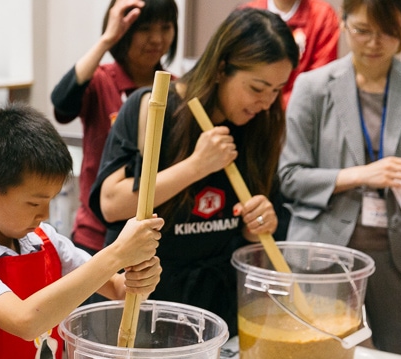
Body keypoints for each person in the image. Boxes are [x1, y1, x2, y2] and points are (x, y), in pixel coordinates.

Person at [90, 7, 299, 334]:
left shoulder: (261, 126)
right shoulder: (155, 106)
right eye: (257, 88)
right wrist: (196, 166)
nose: (267, 102)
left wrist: (260, 223)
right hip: (145, 299)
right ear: (221, 69)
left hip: (216, 306)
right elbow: (112, 204)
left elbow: (260, 222)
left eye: (277, 90)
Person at [0, 103, 163, 359]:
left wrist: (140, 278)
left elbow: (117, 289)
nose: (46, 215)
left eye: (52, 200)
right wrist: (117, 252)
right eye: (35, 203)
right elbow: (24, 321)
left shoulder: (43, 239)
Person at [279, 0, 401, 358]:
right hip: (323, 249)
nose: (373, 43)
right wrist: (360, 175)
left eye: (387, 32)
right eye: (362, 30)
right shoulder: (312, 87)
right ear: (343, 23)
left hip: (399, 250)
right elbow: (290, 178)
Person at [51, 0, 179, 255]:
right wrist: (107, 39)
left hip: (152, 237)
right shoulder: (100, 79)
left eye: (165, 27)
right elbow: (61, 104)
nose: (156, 39)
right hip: (96, 237)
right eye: (145, 29)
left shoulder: (176, 89)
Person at [242, 0, 340, 106]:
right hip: (252, 109)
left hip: (301, 111)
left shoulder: (323, 16)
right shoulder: (247, 14)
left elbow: (319, 82)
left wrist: (277, 111)